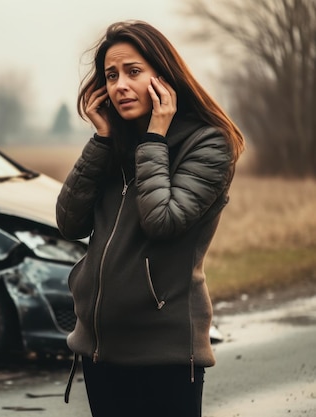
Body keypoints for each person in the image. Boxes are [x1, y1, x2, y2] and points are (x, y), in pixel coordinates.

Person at [56, 20, 245, 417]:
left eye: (133, 72)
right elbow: (70, 223)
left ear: (163, 77)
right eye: (111, 75)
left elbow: (162, 221)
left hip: (166, 352)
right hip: (99, 348)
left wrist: (154, 140)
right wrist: (101, 141)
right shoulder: (114, 141)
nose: (119, 85)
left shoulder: (208, 142)